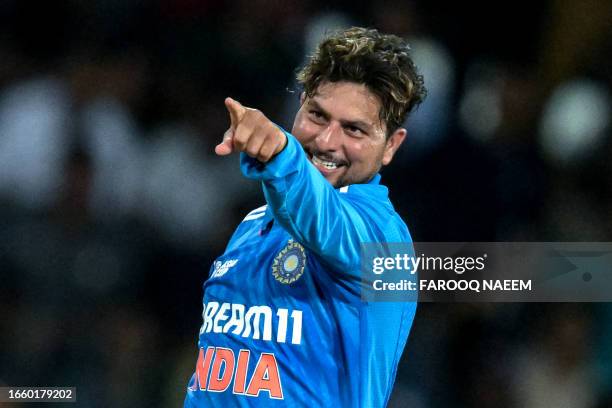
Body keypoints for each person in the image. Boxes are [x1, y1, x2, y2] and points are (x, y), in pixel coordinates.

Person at [184, 27, 426, 407]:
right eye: (317, 115)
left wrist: (281, 152)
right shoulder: (253, 224)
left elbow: (325, 221)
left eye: (354, 129)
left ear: (391, 146)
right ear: (298, 107)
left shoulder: (384, 239)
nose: (327, 141)